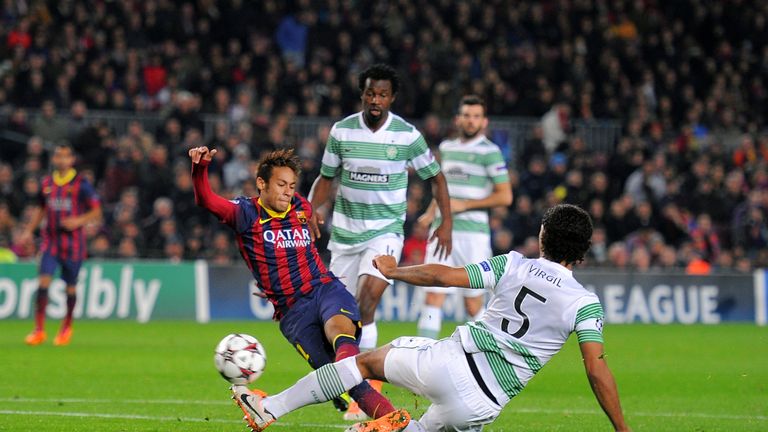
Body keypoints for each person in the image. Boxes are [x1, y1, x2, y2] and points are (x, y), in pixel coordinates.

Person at [231, 204, 631, 432]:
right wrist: (623, 430)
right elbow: (597, 371)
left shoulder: (514, 266)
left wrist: (395, 271)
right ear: (581, 254)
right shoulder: (585, 304)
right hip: (482, 405)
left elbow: (446, 276)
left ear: (543, 238)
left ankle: (271, 408)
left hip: (449, 364)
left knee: (364, 363)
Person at [189, 146, 396, 421]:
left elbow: (308, 209)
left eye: (292, 186)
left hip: (325, 289)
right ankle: (394, 421)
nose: (288, 191)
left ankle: (279, 406)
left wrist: (312, 217)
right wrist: (200, 169)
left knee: (343, 346)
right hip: (293, 313)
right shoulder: (245, 214)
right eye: (281, 184)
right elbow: (206, 200)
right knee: (348, 382)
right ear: (261, 183)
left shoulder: (299, 206)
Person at [309, 63, 453, 419]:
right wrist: (310, 210)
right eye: (371, 93)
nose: (376, 100)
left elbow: (436, 177)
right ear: (363, 94)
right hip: (344, 235)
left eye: (383, 95)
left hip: (385, 232)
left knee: (368, 299)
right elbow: (326, 178)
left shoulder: (406, 136)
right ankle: (348, 377)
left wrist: (445, 221)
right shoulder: (342, 132)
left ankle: (368, 388)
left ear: (392, 98)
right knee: (339, 319)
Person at [416, 95, 513, 339]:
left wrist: (466, 205)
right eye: (467, 116)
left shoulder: (490, 152)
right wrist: (430, 212)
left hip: (473, 236)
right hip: (442, 230)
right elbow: (441, 187)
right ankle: (421, 356)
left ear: (484, 121)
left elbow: (505, 196)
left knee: (472, 303)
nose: (471, 121)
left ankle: (480, 356)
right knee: (433, 294)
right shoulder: (447, 148)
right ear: (458, 119)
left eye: (476, 117)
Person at [23, 143, 102, 346]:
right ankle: (39, 330)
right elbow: (41, 209)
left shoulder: (81, 184)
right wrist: (28, 231)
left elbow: (96, 211)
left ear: (72, 160)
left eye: (66, 156)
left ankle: (66, 326)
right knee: (43, 282)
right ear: (54, 159)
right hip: (50, 241)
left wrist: (77, 221)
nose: (62, 160)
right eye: (58, 156)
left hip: (73, 244)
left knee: (70, 288)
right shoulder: (47, 183)